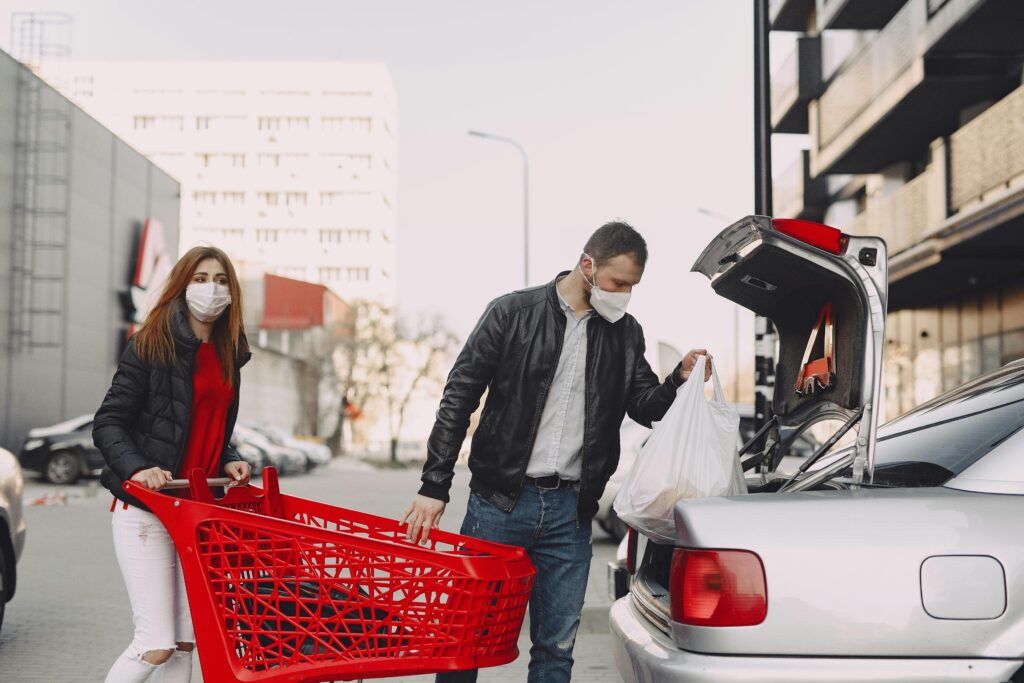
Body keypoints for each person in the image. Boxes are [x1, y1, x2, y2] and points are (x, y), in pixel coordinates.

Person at [403, 221, 712, 682]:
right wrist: (434, 485)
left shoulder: (626, 333)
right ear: (588, 266)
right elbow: (459, 396)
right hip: (498, 504)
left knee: (556, 648)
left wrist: (678, 381)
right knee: (466, 639)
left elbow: (647, 406)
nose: (625, 294)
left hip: (570, 512)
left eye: (633, 286)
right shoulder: (512, 313)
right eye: (619, 282)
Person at [93, 246, 252, 682]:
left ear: (232, 292)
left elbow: (207, 427)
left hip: (198, 513)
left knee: (185, 642)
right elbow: (108, 422)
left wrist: (231, 459)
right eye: (200, 279)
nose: (211, 289)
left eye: (221, 280)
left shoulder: (229, 355)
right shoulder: (150, 344)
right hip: (149, 509)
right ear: (182, 285)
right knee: (156, 644)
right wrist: (137, 468)